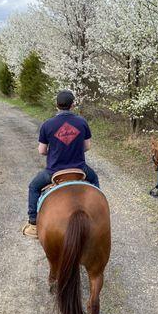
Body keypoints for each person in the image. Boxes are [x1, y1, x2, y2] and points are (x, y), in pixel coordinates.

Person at [23, 90, 99, 237]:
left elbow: (42, 150)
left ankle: (33, 223)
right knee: (94, 179)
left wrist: (54, 150)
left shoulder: (47, 124)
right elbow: (87, 146)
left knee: (33, 187)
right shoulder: (82, 122)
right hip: (79, 169)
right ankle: (96, 214)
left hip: (54, 172)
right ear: (73, 105)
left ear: (56, 105)